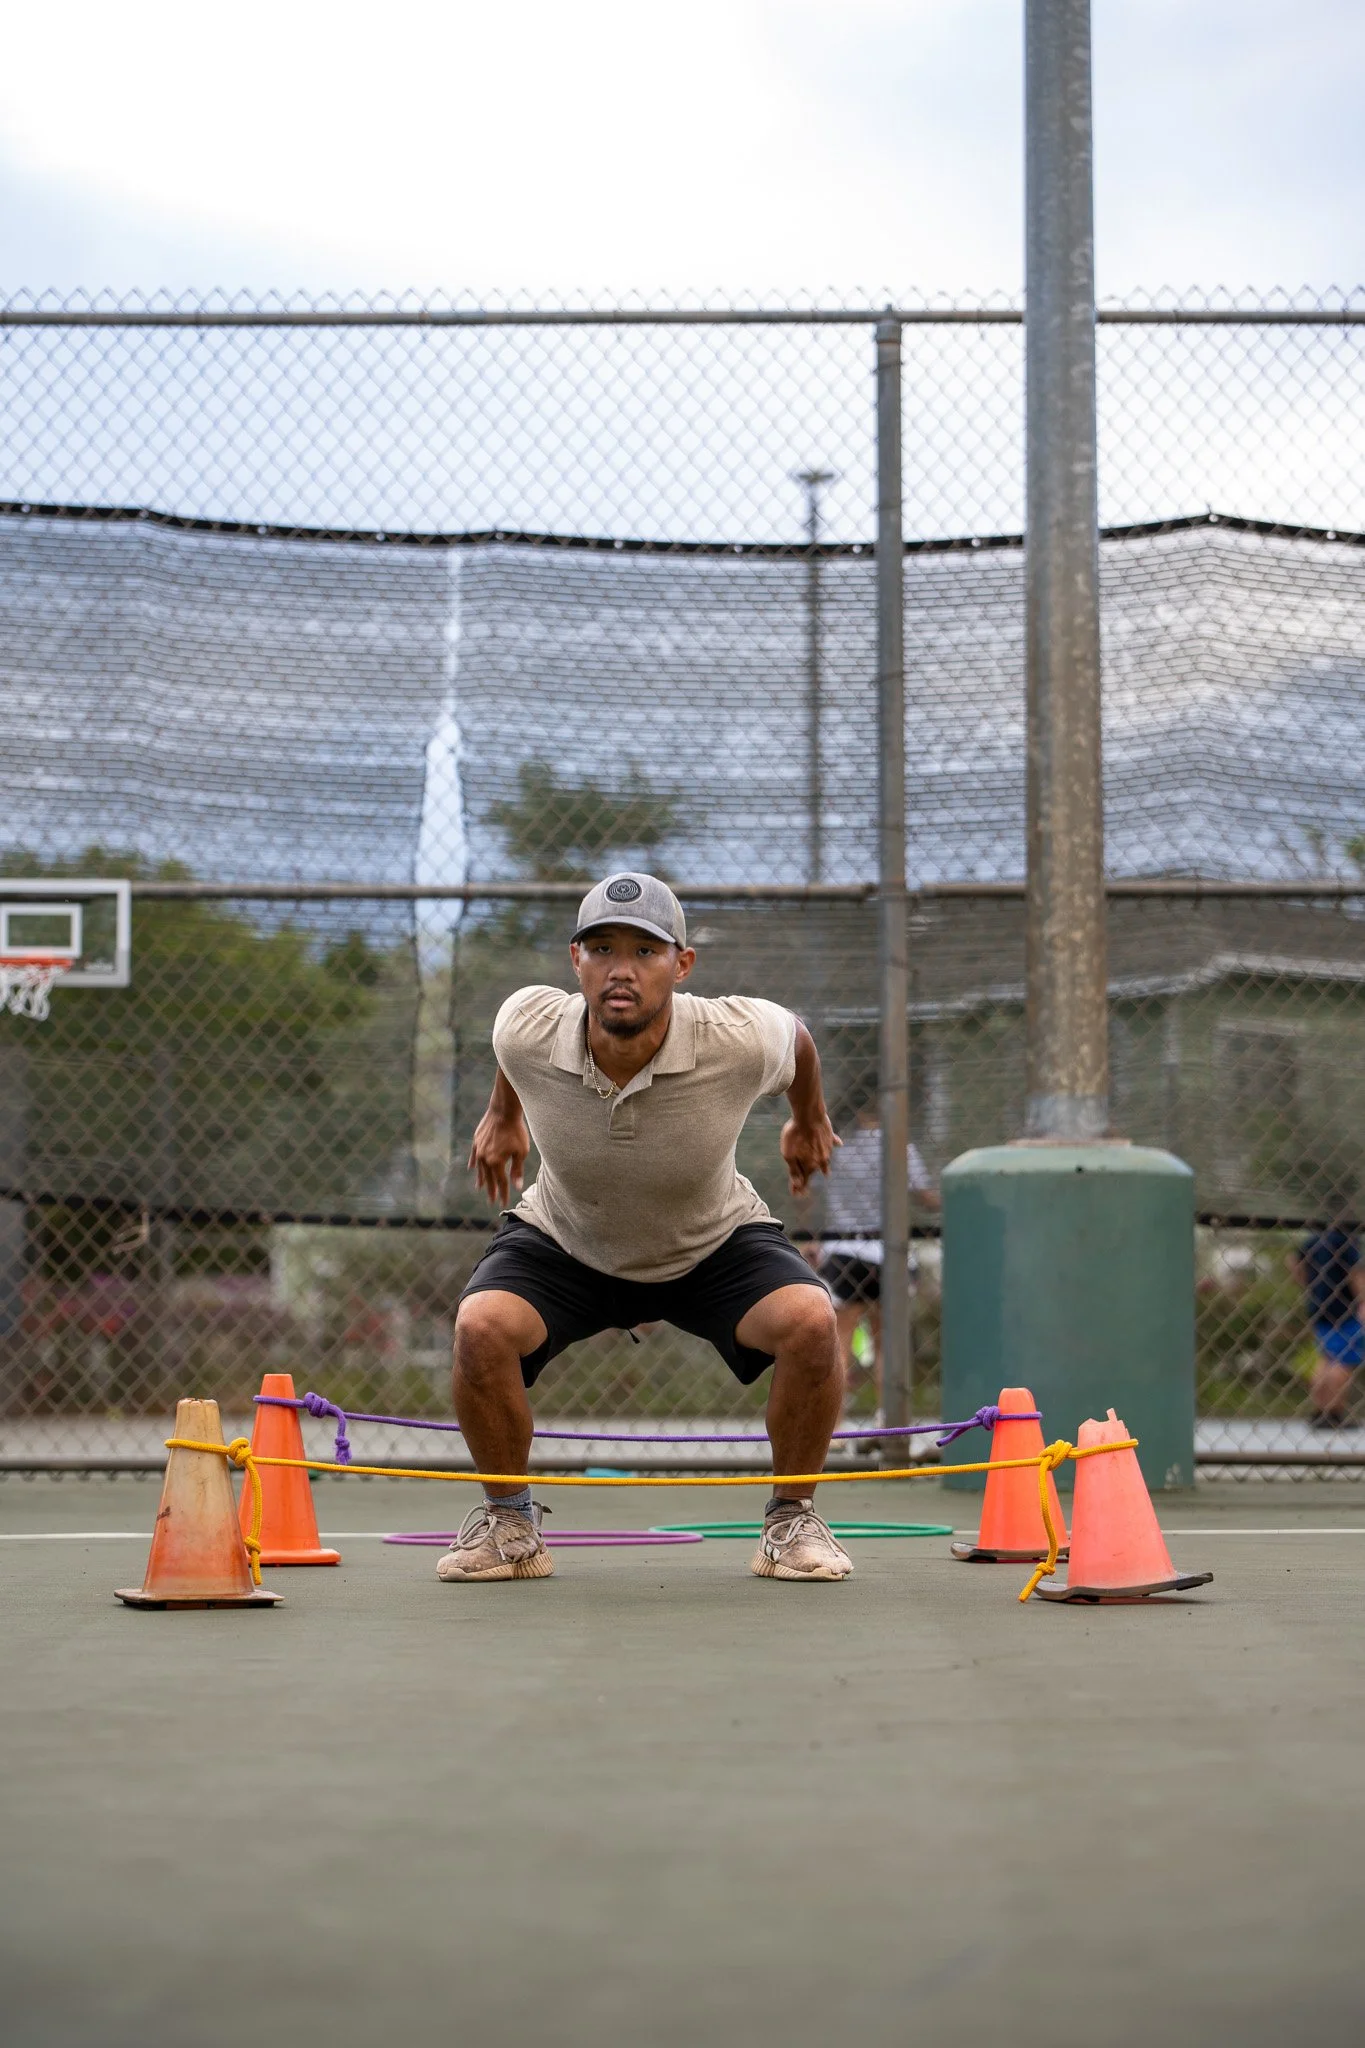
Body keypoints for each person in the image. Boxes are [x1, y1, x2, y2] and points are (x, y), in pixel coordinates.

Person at [441, 870, 850, 1585]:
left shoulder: (736, 1035)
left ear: (681, 964)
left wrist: (807, 1119)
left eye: (645, 951)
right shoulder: (527, 1024)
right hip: (565, 1241)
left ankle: (791, 1522)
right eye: (600, 949)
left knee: (812, 1320)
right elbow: (513, 1056)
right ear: (576, 962)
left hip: (710, 1244)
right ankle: (509, 1525)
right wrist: (503, 1115)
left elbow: (800, 1041)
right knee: (479, 1328)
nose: (620, 969)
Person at [814, 1095, 939, 1417]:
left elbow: (812, 1194)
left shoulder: (834, 1147)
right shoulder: (898, 1148)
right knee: (886, 1342)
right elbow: (926, 1197)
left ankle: (834, 1425)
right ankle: (888, 1422)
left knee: (840, 1342)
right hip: (888, 1252)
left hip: (842, 1251)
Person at [1291, 1177, 1365, 1429]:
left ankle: (1320, 1410)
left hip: (1319, 1305)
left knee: (1326, 1358)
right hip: (1344, 1307)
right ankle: (1334, 1412)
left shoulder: (1315, 1238)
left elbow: (1294, 1263)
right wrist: (1363, 1301)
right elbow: (1355, 1273)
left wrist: (1309, 1286)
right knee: (1344, 1360)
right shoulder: (1347, 1239)